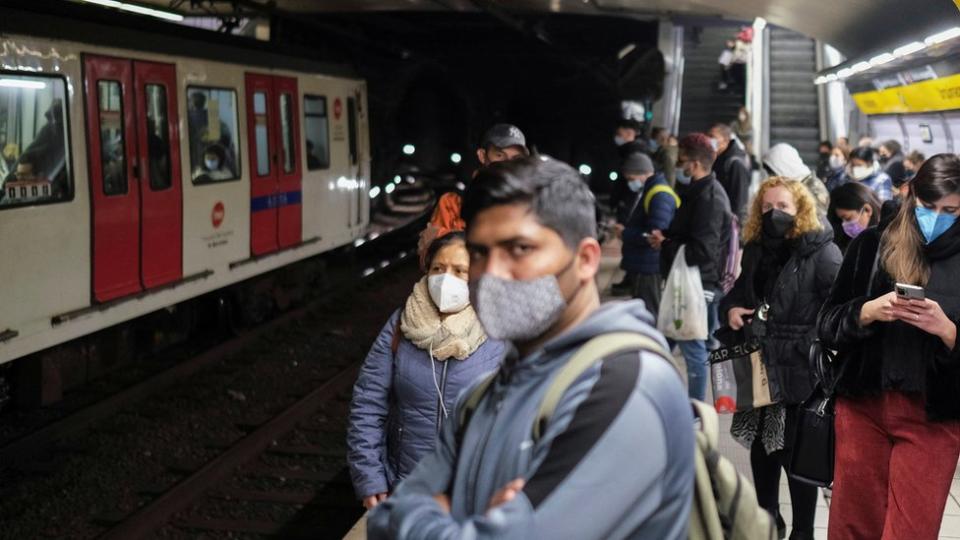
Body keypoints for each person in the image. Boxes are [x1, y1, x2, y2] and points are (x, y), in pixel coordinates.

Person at [367, 156, 694, 539]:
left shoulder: (623, 386)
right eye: (479, 253)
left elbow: (399, 519)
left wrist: (437, 510)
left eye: (520, 249)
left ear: (586, 260)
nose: (492, 273)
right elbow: (381, 523)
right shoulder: (484, 394)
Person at [817, 153, 960, 540]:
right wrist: (866, 312)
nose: (937, 217)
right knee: (852, 526)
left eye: (950, 210)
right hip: (863, 406)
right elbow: (826, 325)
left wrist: (947, 330)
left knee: (911, 530)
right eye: (928, 206)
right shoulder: (871, 245)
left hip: (934, 416)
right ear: (910, 194)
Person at [720, 177, 841, 540]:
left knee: (796, 458)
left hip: (797, 371)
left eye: (783, 207)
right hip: (758, 364)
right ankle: (767, 522)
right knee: (762, 450)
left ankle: (803, 531)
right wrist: (732, 311)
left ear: (801, 208)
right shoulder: (757, 248)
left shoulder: (822, 252)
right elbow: (739, 293)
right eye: (767, 207)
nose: (775, 214)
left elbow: (837, 313)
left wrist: (803, 339)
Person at [347, 232, 505, 510]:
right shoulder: (400, 325)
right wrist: (369, 477)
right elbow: (367, 405)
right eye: (438, 269)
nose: (447, 279)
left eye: (460, 271)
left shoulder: (500, 331)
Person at [649, 133, 733, 400]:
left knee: (693, 347)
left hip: (697, 284)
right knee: (667, 341)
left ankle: (695, 412)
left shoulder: (708, 198)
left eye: (682, 160)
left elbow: (702, 251)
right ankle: (653, 395)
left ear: (694, 164)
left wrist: (666, 244)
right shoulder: (701, 192)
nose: (679, 166)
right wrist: (667, 240)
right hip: (690, 282)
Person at [418, 124, 529, 265]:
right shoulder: (453, 202)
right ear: (482, 156)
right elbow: (432, 260)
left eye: (516, 159)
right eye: (500, 155)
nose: (507, 164)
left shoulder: (531, 204)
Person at [611, 152, 678, 315]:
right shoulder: (650, 190)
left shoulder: (659, 195)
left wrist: (625, 233)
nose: (630, 182)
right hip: (644, 263)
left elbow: (654, 235)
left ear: (643, 173)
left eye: (631, 178)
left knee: (649, 313)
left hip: (649, 265)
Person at [761, 142, 830, 217]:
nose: (772, 177)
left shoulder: (814, 189)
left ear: (784, 166)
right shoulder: (792, 186)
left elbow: (816, 224)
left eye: (773, 173)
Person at [709, 123, 751, 224]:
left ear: (725, 140)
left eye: (713, 137)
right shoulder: (719, 158)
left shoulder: (736, 163)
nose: (709, 140)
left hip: (726, 224)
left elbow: (739, 202)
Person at [827, 182, 881, 252]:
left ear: (867, 210)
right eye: (841, 220)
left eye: (848, 218)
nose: (844, 225)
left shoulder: (888, 240)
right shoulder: (850, 243)